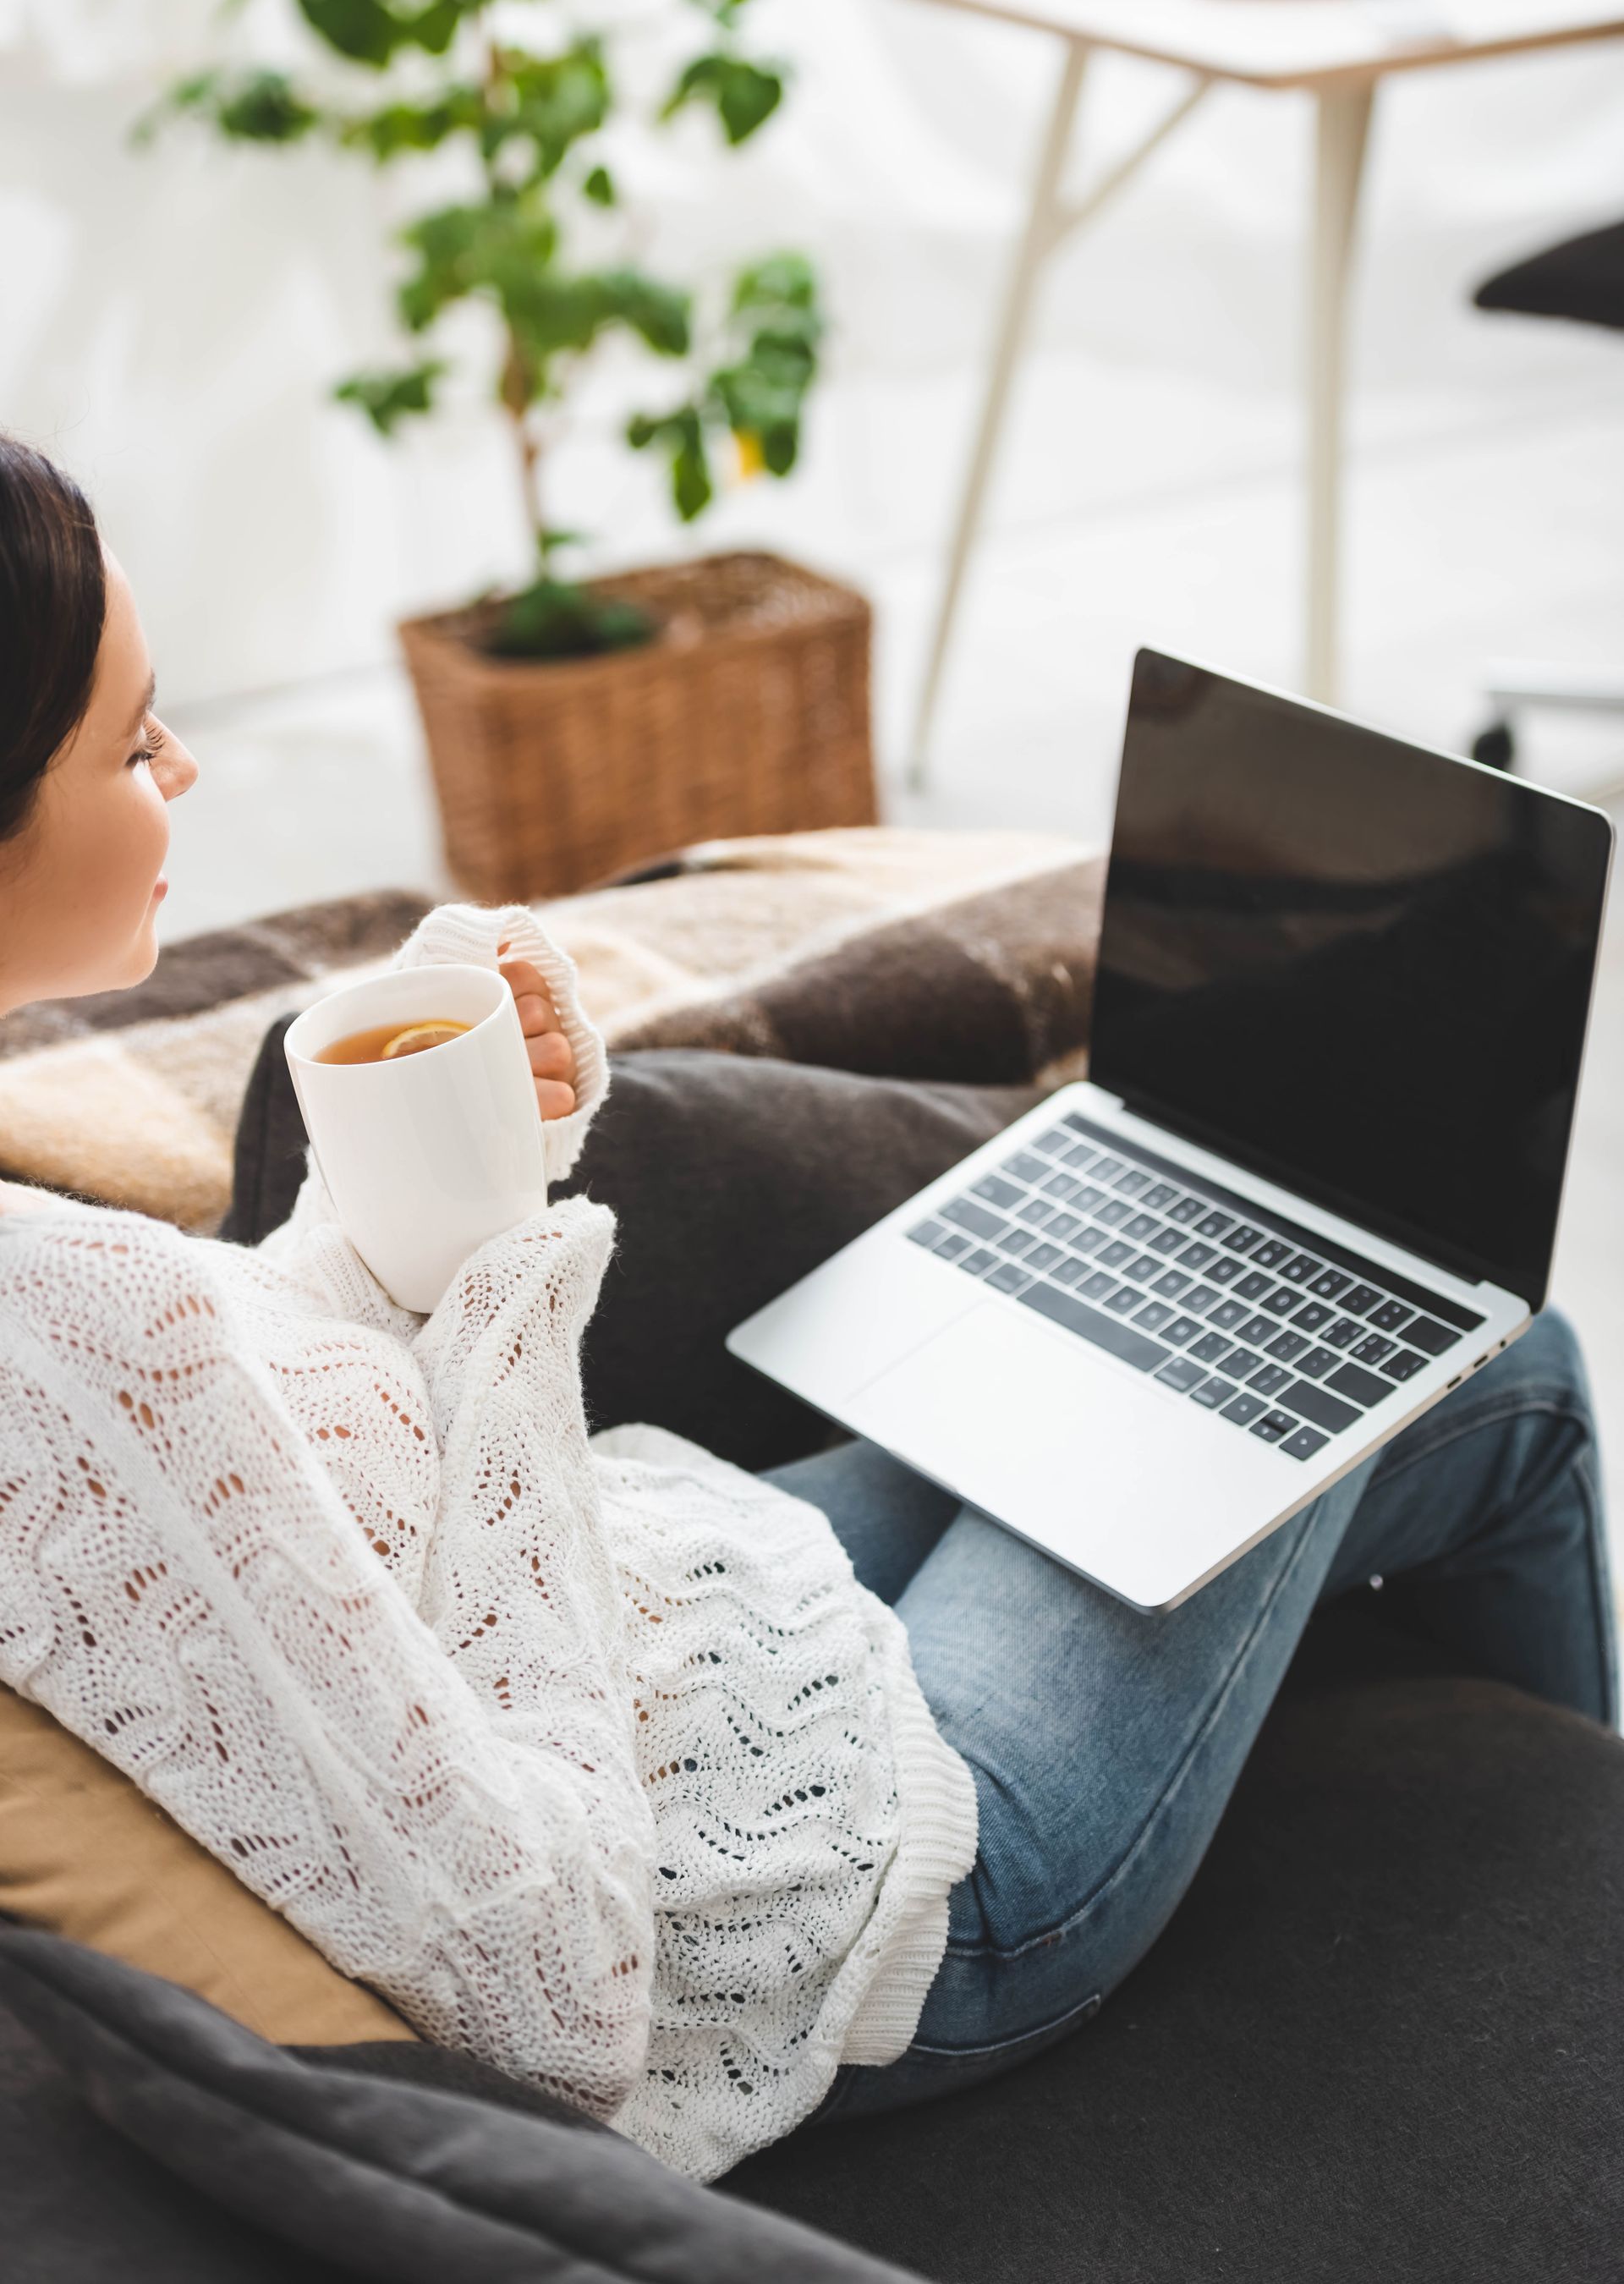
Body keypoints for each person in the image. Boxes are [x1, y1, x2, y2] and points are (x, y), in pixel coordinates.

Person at [0, 436, 1614, 2182]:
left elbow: (256, 1471)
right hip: (850, 1893)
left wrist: (419, 1187)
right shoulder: (61, 1319)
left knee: (1334, 1327)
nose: (186, 763)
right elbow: (561, 1992)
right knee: (1493, 1356)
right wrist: (502, 1280)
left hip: (713, 1620)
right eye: (130, 740)